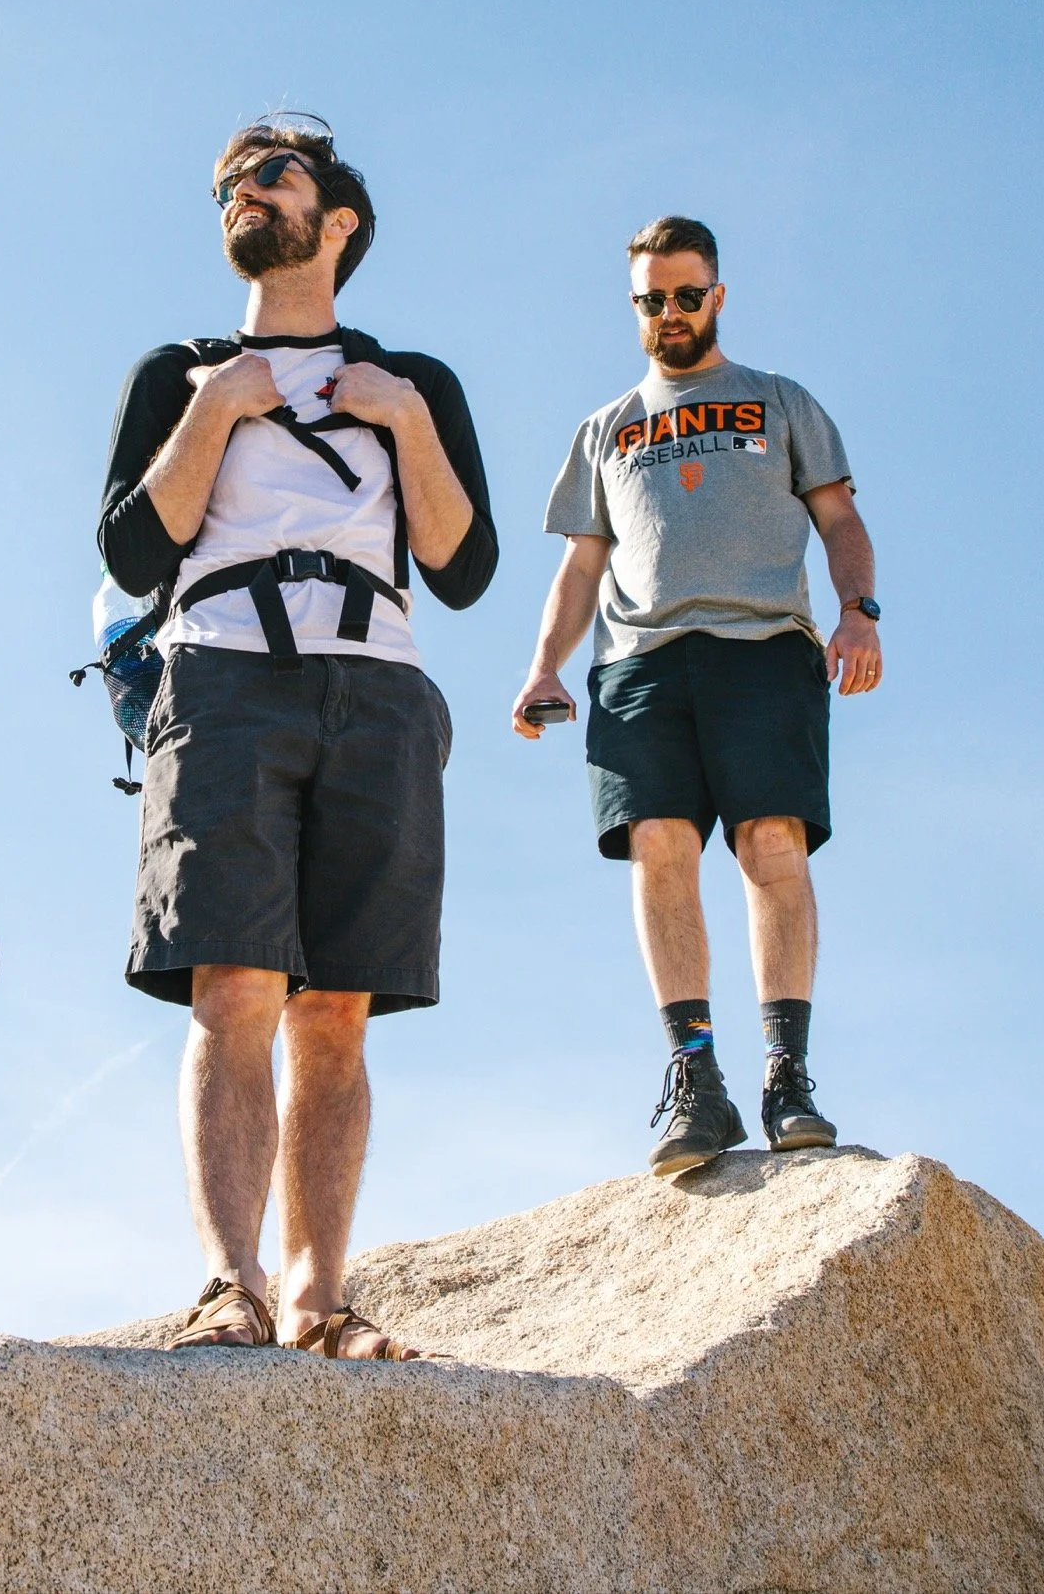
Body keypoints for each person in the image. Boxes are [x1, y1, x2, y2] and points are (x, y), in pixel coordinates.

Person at [98, 114, 498, 1359]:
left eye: (269, 176)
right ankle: (233, 1283)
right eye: (226, 182)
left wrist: (402, 417)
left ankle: (322, 1298)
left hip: (376, 680)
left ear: (338, 224)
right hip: (222, 671)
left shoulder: (413, 381)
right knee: (233, 986)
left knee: (337, 1008)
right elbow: (128, 549)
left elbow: (464, 565)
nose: (238, 192)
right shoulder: (181, 370)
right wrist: (217, 408)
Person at [511, 216, 882, 1179]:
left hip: (763, 648)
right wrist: (545, 664)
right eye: (651, 300)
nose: (669, 313)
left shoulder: (780, 401)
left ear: (718, 294)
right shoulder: (606, 427)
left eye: (686, 295)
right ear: (632, 305)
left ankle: (786, 1073)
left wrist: (859, 611)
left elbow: (839, 517)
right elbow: (579, 565)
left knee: (770, 842)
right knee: (660, 846)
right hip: (639, 664)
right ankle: (694, 1075)